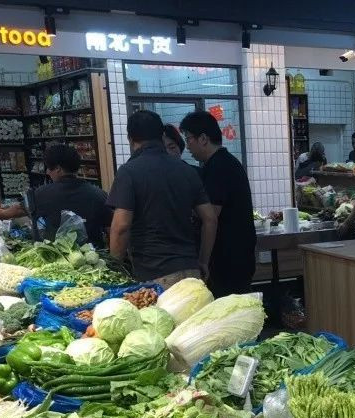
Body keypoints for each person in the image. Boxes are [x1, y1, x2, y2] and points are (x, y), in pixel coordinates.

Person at [107, 110, 217, 288]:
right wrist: (203, 261)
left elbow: (120, 227)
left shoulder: (129, 172)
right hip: (192, 272)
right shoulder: (186, 170)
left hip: (155, 276)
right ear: (161, 136)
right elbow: (210, 218)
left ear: (130, 139)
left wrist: (114, 270)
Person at [180, 110, 256, 297]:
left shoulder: (219, 167)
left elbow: (210, 218)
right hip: (236, 257)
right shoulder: (222, 163)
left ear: (203, 138)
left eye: (189, 139)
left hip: (229, 260)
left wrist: (203, 261)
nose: (187, 146)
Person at [31, 143, 111, 246]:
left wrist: (3, 212)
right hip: (94, 257)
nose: (47, 172)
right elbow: (113, 229)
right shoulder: (98, 194)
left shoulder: (41, 194)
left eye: (49, 168)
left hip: (55, 256)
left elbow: (19, 210)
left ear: (58, 169)